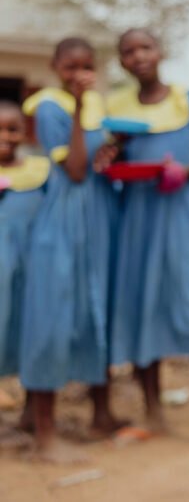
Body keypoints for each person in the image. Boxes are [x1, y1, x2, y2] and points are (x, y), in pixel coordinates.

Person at [101, 28, 189, 457]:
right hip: (137, 218)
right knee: (143, 307)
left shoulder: (187, 99)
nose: (138, 56)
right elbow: (121, 160)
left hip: (180, 215)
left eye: (145, 47)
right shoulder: (118, 106)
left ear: (160, 52)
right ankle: (152, 415)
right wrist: (113, 158)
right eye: (129, 52)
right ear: (122, 62)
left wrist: (185, 172)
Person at [20, 38, 123, 463]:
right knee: (53, 315)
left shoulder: (100, 105)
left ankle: (101, 414)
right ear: (54, 67)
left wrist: (110, 149)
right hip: (64, 221)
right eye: (70, 66)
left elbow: (93, 160)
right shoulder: (48, 107)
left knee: (95, 311)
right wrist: (80, 107)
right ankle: (44, 433)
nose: (78, 73)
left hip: (98, 219)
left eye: (85, 66)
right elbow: (76, 171)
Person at [0, 103, 48, 449]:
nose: (5, 137)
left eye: (13, 129)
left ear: (25, 132)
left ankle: (32, 413)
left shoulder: (39, 172)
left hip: (30, 273)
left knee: (30, 333)